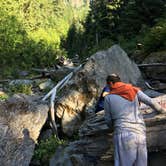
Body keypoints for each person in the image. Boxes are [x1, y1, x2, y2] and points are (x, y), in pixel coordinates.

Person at [104, 74, 166, 166]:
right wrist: (163, 111)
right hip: (140, 134)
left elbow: (108, 121)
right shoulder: (133, 90)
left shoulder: (108, 98)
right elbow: (151, 102)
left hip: (123, 135)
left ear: (111, 83)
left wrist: (113, 127)